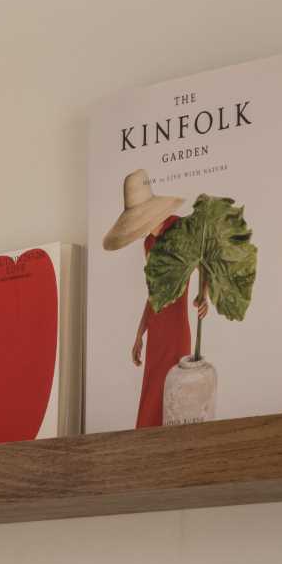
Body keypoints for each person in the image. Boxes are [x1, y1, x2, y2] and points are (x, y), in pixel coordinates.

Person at [103, 169, 198, 428]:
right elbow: (153, 292)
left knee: (174, 393)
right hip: (156, 331)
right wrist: (139, 333)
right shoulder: (148, 244)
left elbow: (204, 261)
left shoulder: (179, 228)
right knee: (151, 396)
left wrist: (204, 295)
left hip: (177, 330)